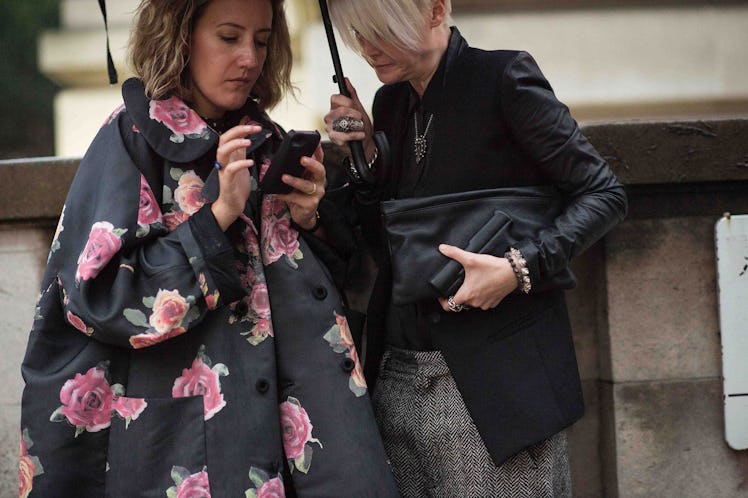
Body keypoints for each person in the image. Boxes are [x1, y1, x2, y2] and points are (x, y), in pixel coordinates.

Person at [18, 0, 399, 496]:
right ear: (180, 37)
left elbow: (320, 293)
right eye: (228, 37)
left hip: (308, 446)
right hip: (190, 449)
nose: (249, 58)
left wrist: (314, 220)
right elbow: (99, 298)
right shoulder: (132, 139)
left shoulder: (267, 141)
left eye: (261, 41)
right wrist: (216, 216)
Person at [323, 0, 628, 496]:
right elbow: (392, 249)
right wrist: (366, 160)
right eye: (358, 33)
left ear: (436, 9)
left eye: (382, 30)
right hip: (400, 373)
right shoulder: (391, 104)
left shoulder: (502, 78)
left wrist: (517, 268)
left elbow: (603, 194)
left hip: (494, 383)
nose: (368, 48)